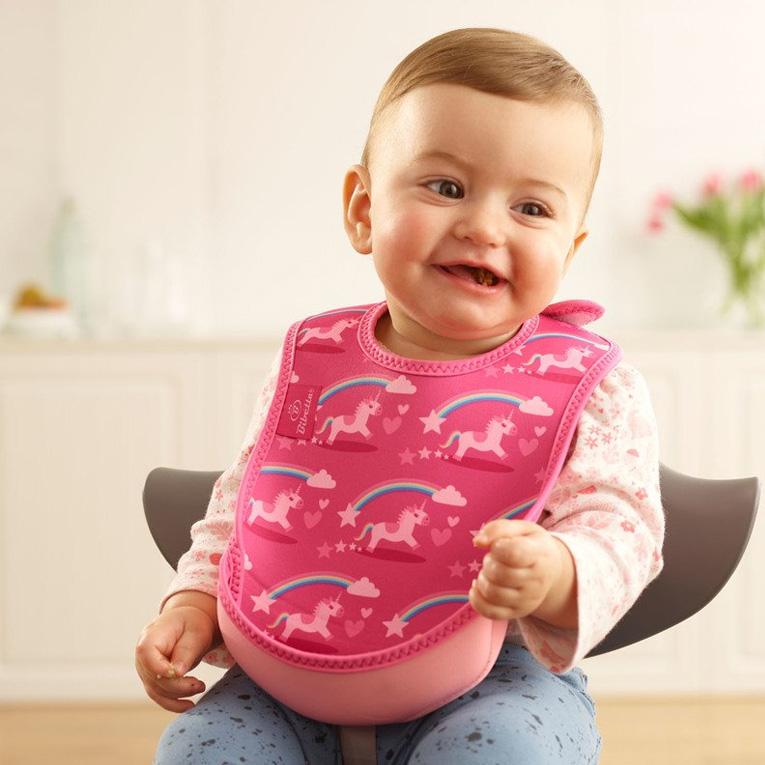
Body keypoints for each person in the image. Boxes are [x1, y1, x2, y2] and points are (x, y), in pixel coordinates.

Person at [137, 27, 665, 764]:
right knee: (200, 748)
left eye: (531, 208)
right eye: (446, 188)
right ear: (363, 209)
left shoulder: (592, 387)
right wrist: (194, 600)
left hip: (495, 678)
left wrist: (560, 569)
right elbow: (249, 503)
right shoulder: (317, 360)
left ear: (570, 250)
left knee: (505, 750)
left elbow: (623, 525)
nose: (483, 227)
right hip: (284, 679)